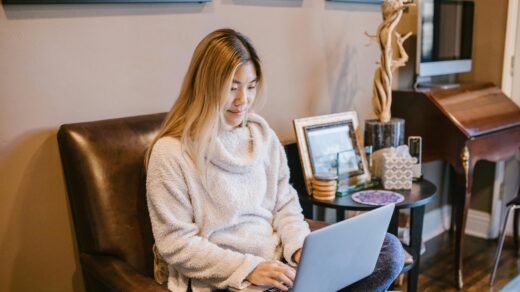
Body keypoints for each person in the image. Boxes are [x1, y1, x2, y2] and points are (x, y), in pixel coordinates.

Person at [145, 28, 404, 292]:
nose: (242, 100)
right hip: (231, 278)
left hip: (279, 264)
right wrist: (250, 269)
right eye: (232, 87)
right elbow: (176, 244)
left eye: (251, 86)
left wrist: (300, 247)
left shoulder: (262, 136)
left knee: (388, 249)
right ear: (205, 86)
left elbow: (285, 203)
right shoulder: (171, 153)